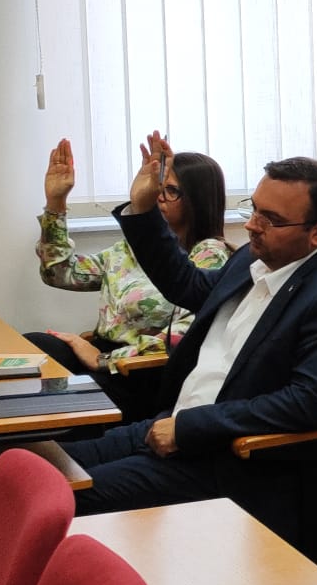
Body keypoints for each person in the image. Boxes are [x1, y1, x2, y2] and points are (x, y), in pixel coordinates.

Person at [69, 138, 317, 533]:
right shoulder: (253, 258)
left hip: (228, 460)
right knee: (38, 465)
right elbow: (188, 285)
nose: (251, 225)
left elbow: (307, 403)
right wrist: (143, 209)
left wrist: (191, 428)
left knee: (63, 495)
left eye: (271, 219)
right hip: (171, 425)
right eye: (254, 209)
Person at [28, 139, 231, 419]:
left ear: (198, 198)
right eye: (158, 188)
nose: (159, 196)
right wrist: (56, 203)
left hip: (140, 373)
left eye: (171, 190)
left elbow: (183, 338)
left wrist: (102, 360)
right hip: (104, 357)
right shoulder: (132, 249)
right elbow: (59, 273)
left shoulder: (209, 255)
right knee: (33, 346)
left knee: (51, 398)